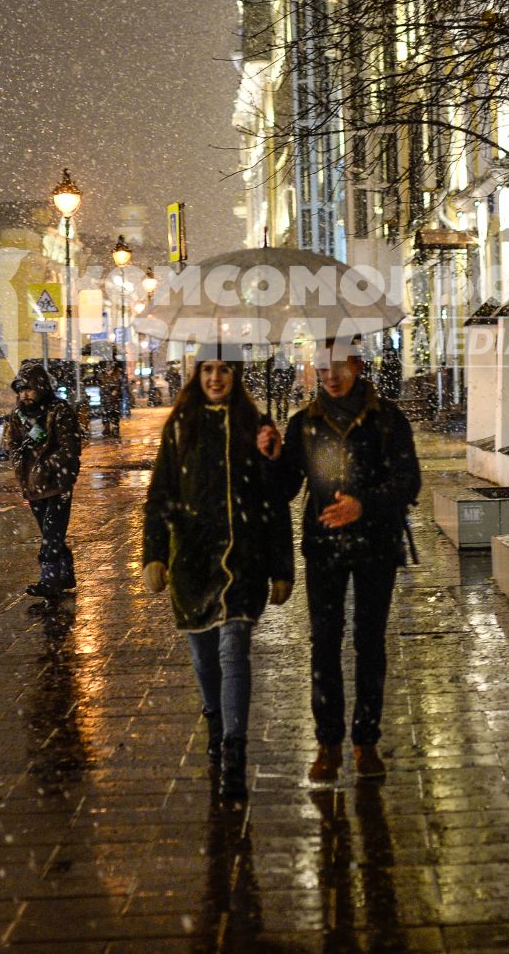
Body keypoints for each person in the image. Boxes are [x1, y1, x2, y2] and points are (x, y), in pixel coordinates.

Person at [265, 342, 421, 783]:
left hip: (375, 547)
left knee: (369, 642)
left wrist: (363, 504)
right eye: (320, 368)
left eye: (337, 366)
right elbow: (282, 490)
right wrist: (272, 457)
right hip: (324, 547)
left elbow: (409, 481)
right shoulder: (304, 425)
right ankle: (328, 742)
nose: (329, 376)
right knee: (324, 644)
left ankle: (365, 741)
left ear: (357, 365)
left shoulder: (387, 419)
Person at [142, 355, 293, 801]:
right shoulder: (181, 425)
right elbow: (160, 494)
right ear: (197, 374)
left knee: (234, 652)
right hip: (192, 562)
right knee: (205, 659)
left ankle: (234, 749)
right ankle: (214, 718)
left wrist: (272, 457)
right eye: (207, 369)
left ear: (236, 375)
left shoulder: (254, 423)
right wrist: (154, 553)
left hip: (244, 560)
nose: (215, 378)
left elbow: (276, 500)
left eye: (224, 370)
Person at [2, 361, 83, 601]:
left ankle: (49, 580)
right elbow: (12, 443)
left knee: (51, 533)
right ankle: (66, 573)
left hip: (57, 483)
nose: (24, 395)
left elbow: (70, 447)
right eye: (20, 390)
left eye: (28, 389)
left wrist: (47, 466)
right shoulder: (18, 414)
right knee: (51, 533)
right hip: (32, 485)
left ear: (40, 387)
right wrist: (21, 464)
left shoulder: (58, 410)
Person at [99, 364, 124, 438]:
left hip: (114, 400)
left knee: (114, 414)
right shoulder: (102, 376)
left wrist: (116, 391)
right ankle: (107, 429)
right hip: (105, 399)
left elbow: (119, 386)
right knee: (105, 415)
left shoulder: (116, 375)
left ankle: (115, 429)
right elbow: (101, 387)